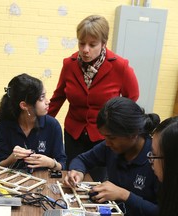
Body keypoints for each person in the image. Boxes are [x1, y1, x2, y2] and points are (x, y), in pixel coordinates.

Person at [48, 15, 139, 180]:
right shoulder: (69, 64)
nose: (85, 50)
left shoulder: (120, 66)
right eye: (81, 43)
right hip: (73, 134)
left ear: (104, 43)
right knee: (71, 177)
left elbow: (131, 100)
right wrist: (43, 125)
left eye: (92, 44)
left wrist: (120, 132)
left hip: (103, 138)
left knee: (96, 182)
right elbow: (58, 97)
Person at [64, 97, 160, 216]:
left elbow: (162, 211)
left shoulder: (157, 160)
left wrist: (123, 195)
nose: (107, 143)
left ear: (133, 134)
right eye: (105, 137)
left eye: (112, 138)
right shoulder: (110, 147)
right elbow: (82, 160)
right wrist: (77, 171)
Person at [0, 73, 67, 172]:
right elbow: (0, 165)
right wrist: (12, 158)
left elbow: (62, 165)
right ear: (24, 105)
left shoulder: (52, 125)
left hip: (44, 181)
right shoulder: (4, 125)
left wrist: (51, 163)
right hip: (14, 182)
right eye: (42, 98)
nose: (48, 101)